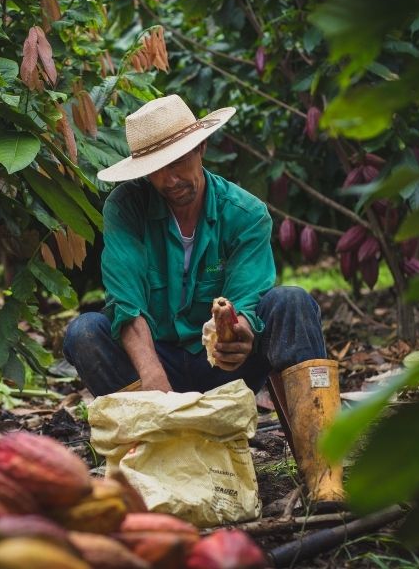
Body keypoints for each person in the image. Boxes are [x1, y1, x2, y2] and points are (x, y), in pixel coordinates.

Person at [63, 95, 343, 501]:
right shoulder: (126, 207)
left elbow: (249, 299)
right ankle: (157, 463)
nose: (169, 179)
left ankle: (324, 475)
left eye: (178, 162)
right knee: (85, 332)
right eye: (157, 170)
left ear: (201, 148)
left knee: (292, 302)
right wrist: (159, 392)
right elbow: (125, 302)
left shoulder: (245, 212)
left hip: (225, 369)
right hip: (155, 370)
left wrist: (240, 334)